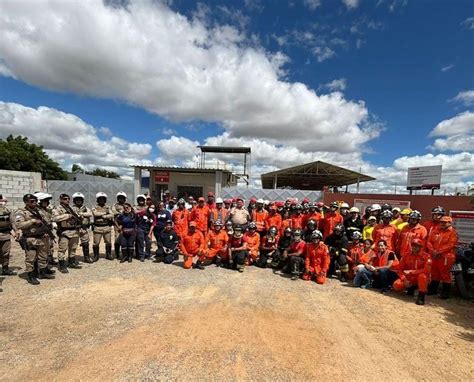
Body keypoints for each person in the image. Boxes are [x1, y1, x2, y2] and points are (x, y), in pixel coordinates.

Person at [14, 194, 55, 285]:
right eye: (32, 201)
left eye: (35, 201)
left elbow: (46, 220)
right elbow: (19, 225)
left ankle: (42, 272)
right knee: (31, 258)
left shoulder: (38, 210)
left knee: (43, 256)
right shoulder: (21, 212)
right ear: (26, 202)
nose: (34, 203)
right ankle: (31, 276)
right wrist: (32, 221)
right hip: (30, 238)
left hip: (41, 237)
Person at [426, 216, 458, 299]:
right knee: (434, 273)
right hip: (434, 256)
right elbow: (429, 241)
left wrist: (439, 251)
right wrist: (433, 251)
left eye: (444, 222)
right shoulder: (435, 231)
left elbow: (451, 244)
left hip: (446, 257)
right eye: (441, 222)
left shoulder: (453, 232)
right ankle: (433, 290)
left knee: (445, 274)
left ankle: (445, 293)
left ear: (449, 223)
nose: (442, 223)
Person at [392, 238, 431, 305]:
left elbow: (426, 270)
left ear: (420, 247)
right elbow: (399, 269)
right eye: (413, 245)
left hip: (420, 278)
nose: (414, 247)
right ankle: (410, 288)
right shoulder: (406, 255)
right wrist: (404, 279)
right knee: (396, 285)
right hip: (409, 278)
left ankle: (421, 297)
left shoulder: (426, 256)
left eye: (417, 245)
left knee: (422, 276)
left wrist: (412, 272)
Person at [52, 193, 82, 273]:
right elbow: (54, 218)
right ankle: (61, 265)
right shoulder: (57, 208)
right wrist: (67, 216)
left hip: (74, 231)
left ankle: (71, 262)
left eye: (68, 199)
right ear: (61, 200)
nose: (67, 200)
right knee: (62, 249)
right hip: (65, 231)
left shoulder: (71, 208)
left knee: (73, 248)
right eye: (65, 199)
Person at [92, 192, 114, 262]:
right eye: (100, 199)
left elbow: (112, 214)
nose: (102, 200)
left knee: (108, 242)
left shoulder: (108, 207)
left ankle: (108, 254)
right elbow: (95, 214)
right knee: (96, 243)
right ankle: (96, 255)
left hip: (106, 227)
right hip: (98, 227)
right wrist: (105, 213)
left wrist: (104, 216)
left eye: (103, 199)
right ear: (97, 200)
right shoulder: (94, 207)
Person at [72, 192, 93, 263]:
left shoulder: (85, 208)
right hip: (74, 229)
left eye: (80, 200)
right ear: (74, 201)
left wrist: (81, 214)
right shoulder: (71, 208)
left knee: (85, 243)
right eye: (77, 200)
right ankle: (71, 259)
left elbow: (90, 214)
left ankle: (86, 257)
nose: (78, 201)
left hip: (83, 228)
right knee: (73, 244)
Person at [0, 195, 16, 276]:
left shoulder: (8, 210)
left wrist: (16, 232)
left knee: (6, 253)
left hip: (6, 234)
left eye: (3, 201)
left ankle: (5, 269)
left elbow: (13, 222)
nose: (2, 202)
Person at [112, 191, 127, 260]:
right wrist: (121, 213)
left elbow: (129, 212)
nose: (121, 199)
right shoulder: (115, 205)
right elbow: (113, 212)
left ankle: (125, 253)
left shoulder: (126, 205)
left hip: (126, 225)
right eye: (120, 198)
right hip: (117, 225)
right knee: (117, 239)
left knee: (126, 239)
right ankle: (117, 254)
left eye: (122, 198)